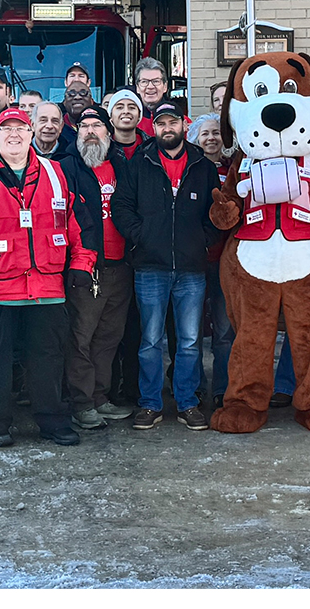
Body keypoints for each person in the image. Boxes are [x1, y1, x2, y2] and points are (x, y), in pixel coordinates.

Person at [0, 107, 96, 448]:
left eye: (20, 129)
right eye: (6, 129)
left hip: (47, 288)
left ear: (31, 135)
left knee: (48, 359)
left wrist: (81, 265)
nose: (14, 135)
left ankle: (53, 423)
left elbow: (82, 227)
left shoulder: (57, 173)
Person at [111, 101, 220, 430]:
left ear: (183, 126)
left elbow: (217, 210)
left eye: (172, 122)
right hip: (150, 266)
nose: (167, 129)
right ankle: (150, 403)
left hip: (191, 268)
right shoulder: (140, 162)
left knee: (189, 342)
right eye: (161, 124)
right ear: (154, 127)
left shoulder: (202, 164)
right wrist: (140, 236)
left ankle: (187, 402)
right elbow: (121, 204)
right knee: (150, 341)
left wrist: (203, 239)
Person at [62, 106, 135, 429]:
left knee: (109, 337)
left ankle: (100, 397)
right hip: (85, 268)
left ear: (109, 132)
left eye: (97, 125)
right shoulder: (65, 168)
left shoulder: (124, 166)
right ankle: (81, 402)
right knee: (81, 338)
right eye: (84, 126)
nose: (90, 130)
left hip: (121, 266)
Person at [105, 89, 146, 158]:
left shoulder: (152, 147)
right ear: (111, 116)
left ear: (139, 115)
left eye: (132, 108)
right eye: (119, 107)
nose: (126, 111)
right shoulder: (102, 148)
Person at [132, 57, 169, 129]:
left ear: (165, 86)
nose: (150, 86)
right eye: (144, 81)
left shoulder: (178, 120)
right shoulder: (129, 121)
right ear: (137, 87)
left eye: (156, 81)